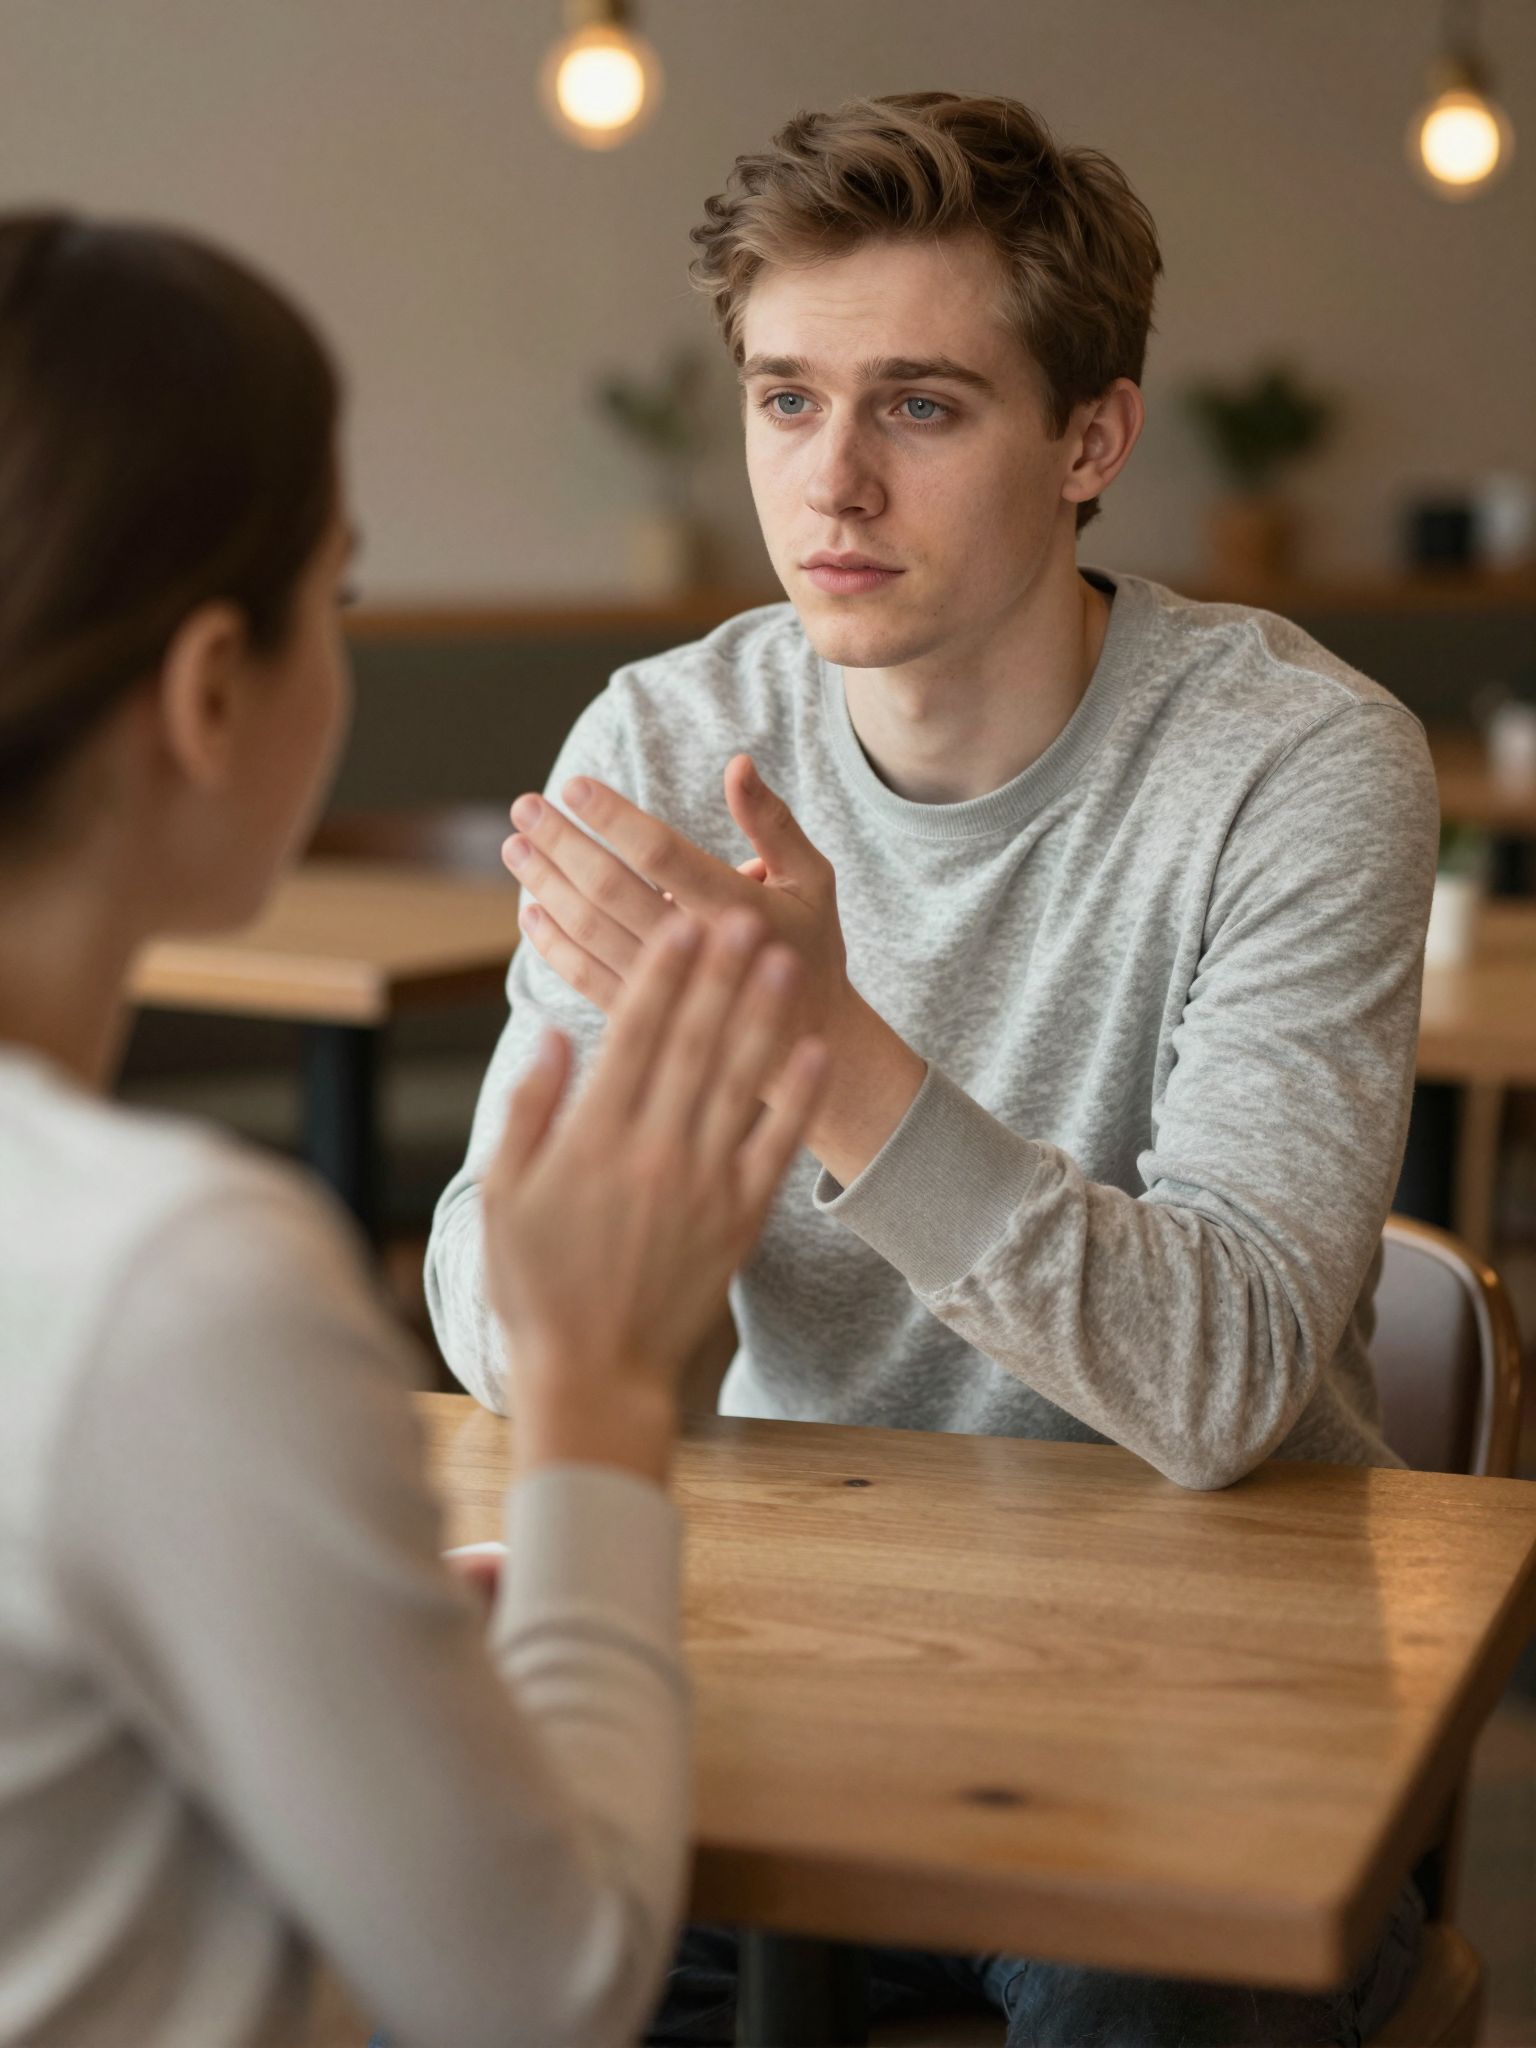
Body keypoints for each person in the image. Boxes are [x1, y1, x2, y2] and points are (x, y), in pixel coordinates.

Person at [426, 93, 1434, 2044]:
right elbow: (495, 1315)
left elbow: (1227, 1382)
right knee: (472, 1966)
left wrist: (827, 1059)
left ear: (1092, 442)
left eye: (921, 405)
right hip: (774, 1646)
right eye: (787, 400)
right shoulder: (665, 738)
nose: (835, 484)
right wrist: (648, 1194)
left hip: (1209, 1679)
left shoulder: (1299, 766)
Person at [0, 210, 825, 2048]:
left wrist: (331, 1618)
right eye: (342, 598)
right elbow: (546, 1994)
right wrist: (599, 1399)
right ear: (213, 692)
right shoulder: (171, 1276)